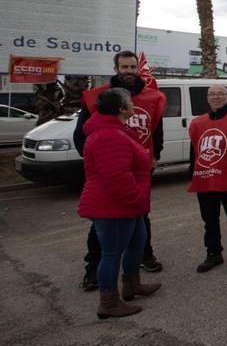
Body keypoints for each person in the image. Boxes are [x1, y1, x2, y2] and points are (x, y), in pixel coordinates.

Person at [74, 50, 166, 291]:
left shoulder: (152, 97)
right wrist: (99, 162)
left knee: (140, 223)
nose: (129, 72)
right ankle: (93, 271)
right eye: (124, 67)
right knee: (104, 227)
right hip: (111, 173)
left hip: (141, 170)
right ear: (116, 69)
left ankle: (141, 263)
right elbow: (80, 136)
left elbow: (156, 128)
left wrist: (155, 154)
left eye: (132, 67)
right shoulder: (98, 98)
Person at [77, 88, 161, 319]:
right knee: (112, 254)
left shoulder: (116, 131)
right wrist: (136, 199)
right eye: (129, 103)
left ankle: (132, 285)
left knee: (138, 243)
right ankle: (109, 302)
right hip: (114, 206)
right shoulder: (108, 136)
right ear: (121, 109)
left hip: (128, 205)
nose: (133, 106)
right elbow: (116, 177)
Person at [187, 84, 227, 274]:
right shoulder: (198, 123)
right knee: (210, 220)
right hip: (205, 179)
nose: (216, 97)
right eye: (212, 94)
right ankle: (214, 253)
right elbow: (195, 152)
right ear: (207, 98)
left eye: (220, 94)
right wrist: (193, 175)